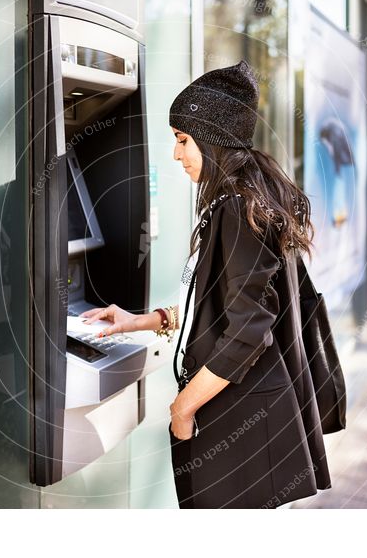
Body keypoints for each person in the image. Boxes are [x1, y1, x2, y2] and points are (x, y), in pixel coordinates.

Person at [81, 60, 331, 509]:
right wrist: (142, 320)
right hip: (244, 420)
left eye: (183, 140)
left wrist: (183, 408)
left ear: (213, 140)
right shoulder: (242, 202)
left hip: (239, 425)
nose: (177, 155)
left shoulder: (237, 210)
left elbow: (248, 330)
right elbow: (220, 305)